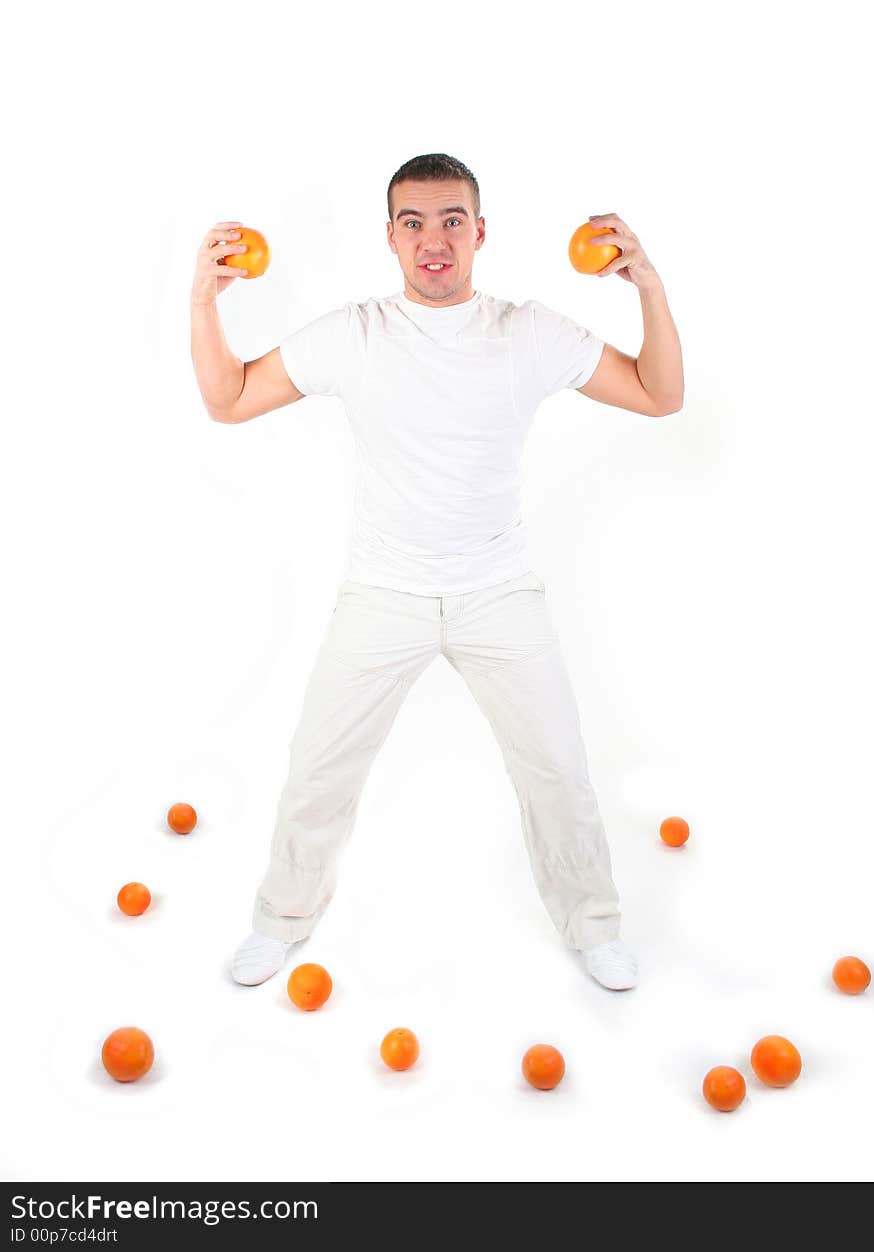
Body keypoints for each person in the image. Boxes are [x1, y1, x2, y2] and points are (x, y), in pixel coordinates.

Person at [190, 153, 684, 993]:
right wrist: (202, 300)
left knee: (559, 770)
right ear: (390, 238)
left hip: (499, 591)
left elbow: (657, 394)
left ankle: (593, 925)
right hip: (383, 593)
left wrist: (649, 287)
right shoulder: (354, 333)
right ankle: (280, 923)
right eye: (414, 223)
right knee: (318, 770)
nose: (434, 241)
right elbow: (229, 399)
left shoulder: (527, 330)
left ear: (480, 232)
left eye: (452, 220)